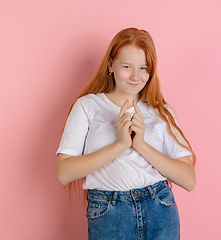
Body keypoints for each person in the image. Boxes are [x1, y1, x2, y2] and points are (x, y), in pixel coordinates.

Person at [56, 27, 196, 240]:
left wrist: (141, 145)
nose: (135, 76)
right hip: (110, 215)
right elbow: (64, 173)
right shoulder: (88, 106)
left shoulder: (161, 111)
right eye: (127, 66)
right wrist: (120, 144)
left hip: (159, 208)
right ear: (111, 65)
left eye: (143, 68)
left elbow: (188, 180)